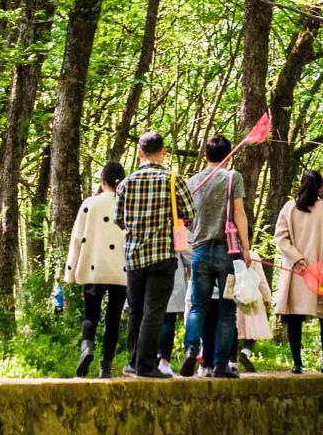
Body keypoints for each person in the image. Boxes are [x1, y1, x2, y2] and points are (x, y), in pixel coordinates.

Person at [117, 131, 190, 378]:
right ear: (163, 151)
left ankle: (133, 361)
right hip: (162, 255)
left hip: (133, 256)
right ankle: (146, 366)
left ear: (140, 152)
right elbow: (190, 212)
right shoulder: (173, 180)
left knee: (136, 309)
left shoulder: (125, 183)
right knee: (154, 311)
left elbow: (119, 220)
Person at [183, 135, 252, 379]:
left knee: (198, 306)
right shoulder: (233, 177)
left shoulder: (192, 182)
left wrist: (199, 230)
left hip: (200, 250)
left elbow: (187, 220)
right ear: (228, 155)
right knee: (226, 309)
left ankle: (191, 348)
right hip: (227, 251)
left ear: (206, 155)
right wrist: (246, 247)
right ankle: (222, 364)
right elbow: (239, 213)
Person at [273, 170, 323, 373]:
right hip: (320, 271)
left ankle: (297, 363)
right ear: (321, 186)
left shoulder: (289, 208)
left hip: (296, 271)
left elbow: (281, 238)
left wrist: (296, 258)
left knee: (295, 316)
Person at [63, 161, 129, 377]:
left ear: (102, 181)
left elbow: (77, 238)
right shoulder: (129, 204)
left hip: (94, 268)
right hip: (121, 270)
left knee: (91, 314)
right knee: (113, 318)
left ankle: (87, 346)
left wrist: (71, 271)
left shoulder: (90, 204)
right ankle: (106, 366)